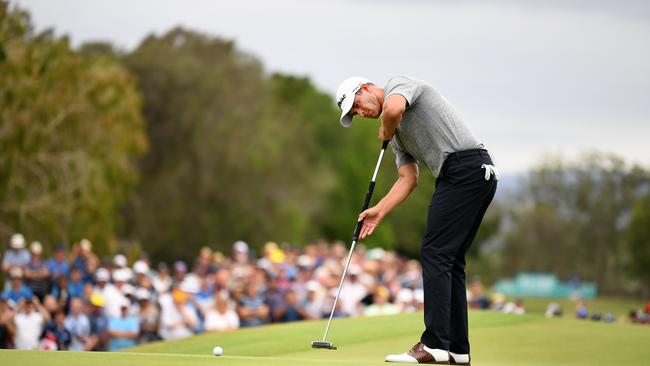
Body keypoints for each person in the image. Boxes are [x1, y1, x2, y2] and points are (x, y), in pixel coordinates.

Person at [335, 76, 498, 364]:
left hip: (465, 168)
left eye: (357, 105)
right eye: (355, 114)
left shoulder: (399, 85)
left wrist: (386, 130)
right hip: (472, 174)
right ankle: (458, 350)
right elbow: (408, 178)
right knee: (451, 259)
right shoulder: (397, 137)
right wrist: (380, 209)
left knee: (434, 252)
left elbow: (393, 110)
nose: (360, 113)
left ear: (366, 88)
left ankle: (434, 344)